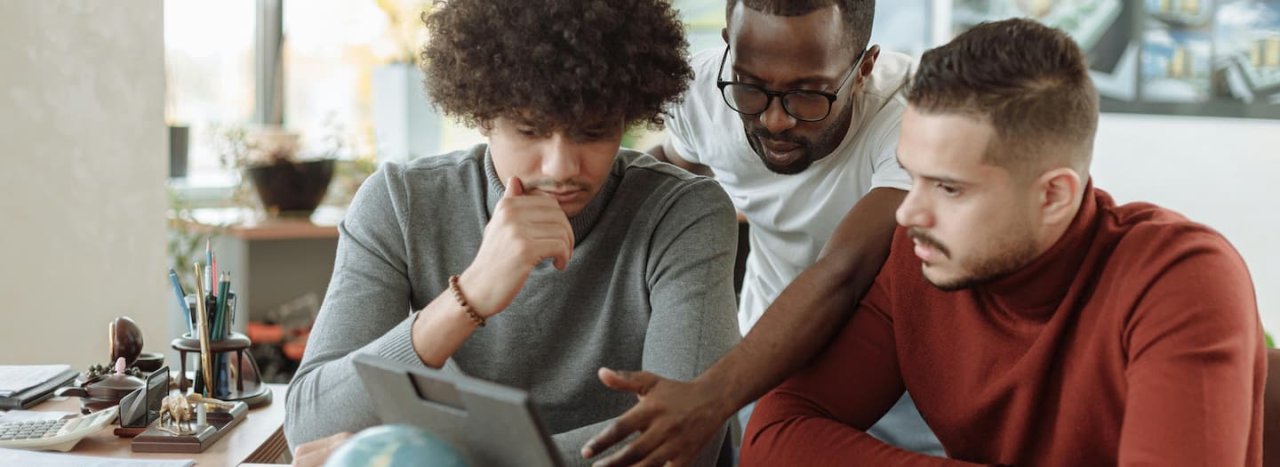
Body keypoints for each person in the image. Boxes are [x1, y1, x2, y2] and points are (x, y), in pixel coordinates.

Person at [740, 18, 1265, 465]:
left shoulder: (1181, 276)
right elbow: (775, 436)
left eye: (948, 187)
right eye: (910, 176)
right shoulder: (919, 254)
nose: (909, 211)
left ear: (1054, 195)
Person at [282, 0, 740, 465]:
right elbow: (311, 429)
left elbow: (684, 444)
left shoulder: (684, 213)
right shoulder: (401, 202)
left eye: (594, 132)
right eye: (530, 130)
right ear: (482, 115)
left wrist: (437, 458)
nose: (561, 167)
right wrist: (472, 294)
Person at [582, 1, 943, 464]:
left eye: (809, 94)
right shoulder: (702, 92)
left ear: (864, 67)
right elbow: (672, 166)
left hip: (899, 383)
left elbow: (843, 273)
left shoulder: (915, 116)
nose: (775, 120)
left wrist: (710, 396)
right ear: (730, 48)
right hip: (763, 363)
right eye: (752, 88)